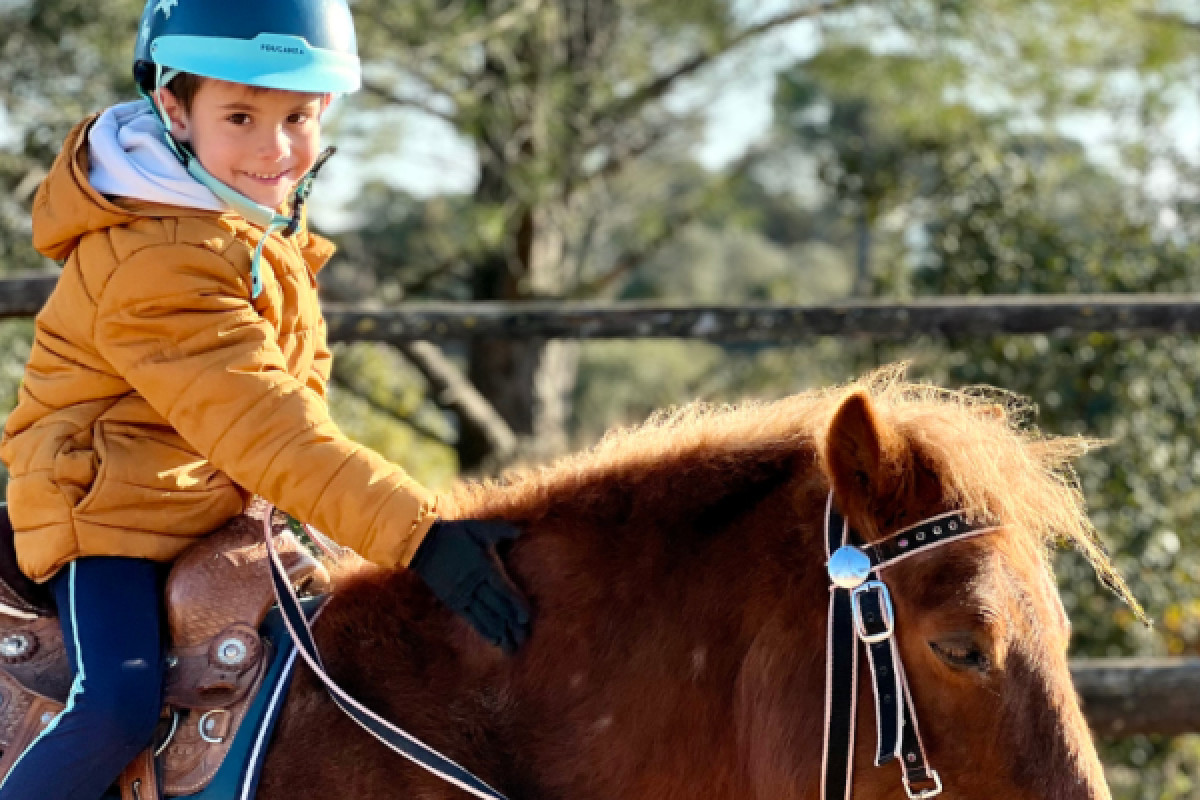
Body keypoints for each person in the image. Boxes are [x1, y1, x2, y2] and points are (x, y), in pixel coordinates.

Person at [0, 1, 531, 797]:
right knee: (116, 700)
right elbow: (263, 426)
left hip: (207, 498)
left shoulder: (248, 227)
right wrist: (417, 534)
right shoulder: (158, 256)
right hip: (102, 512)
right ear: (174, 109)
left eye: (299, 116)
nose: (275, 147)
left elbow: (291, 406)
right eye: (241, 114)